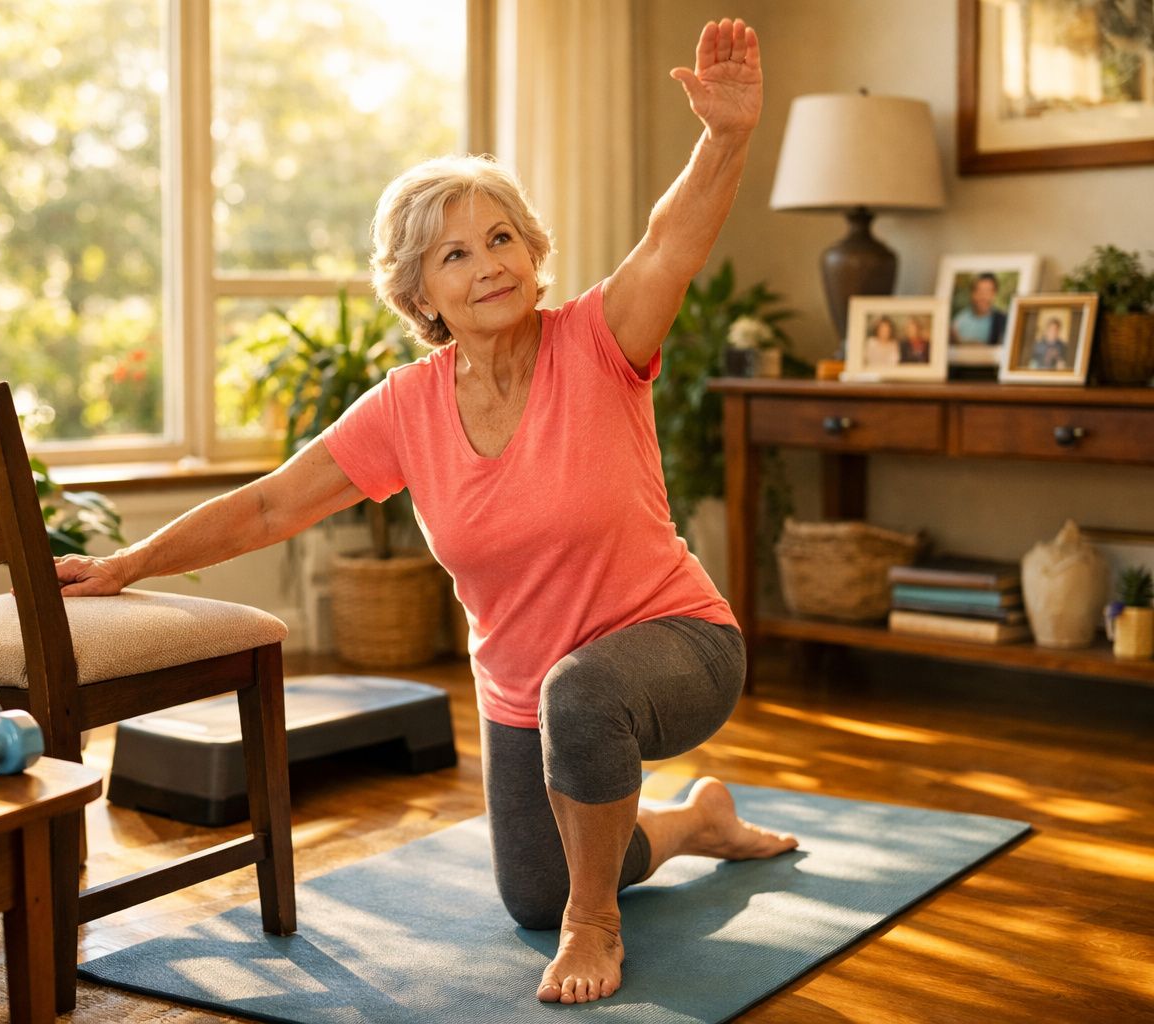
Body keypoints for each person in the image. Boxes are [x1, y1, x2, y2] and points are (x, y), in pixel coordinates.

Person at [54, 17, 795, 1008]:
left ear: (535, 254)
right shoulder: (408, 407)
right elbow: (276, 501)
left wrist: (727, 136)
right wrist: (126, 563)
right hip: (526, 692)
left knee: (581, 745)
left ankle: (598, 922)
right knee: (534, 892)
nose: (486, 262)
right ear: (423, 294)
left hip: (680, 646)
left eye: (501, 239)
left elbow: (673, 240)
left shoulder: (601, 340)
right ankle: (693, 824)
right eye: (454, 254)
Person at [949, 273, 1008, 346]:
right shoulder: (959, 321)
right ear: (972, 293)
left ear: (994, 294)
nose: (983, 296)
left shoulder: (1003, 321)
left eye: (988, 291)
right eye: (979, 291)